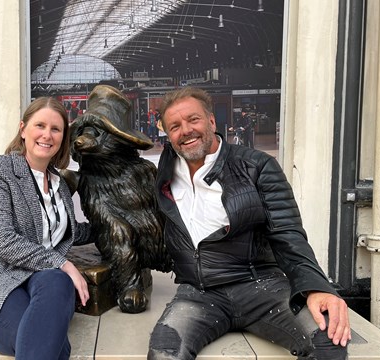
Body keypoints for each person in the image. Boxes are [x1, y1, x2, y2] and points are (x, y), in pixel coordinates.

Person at [148, 87, 350, 360]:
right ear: (168, 135)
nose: (185, 130)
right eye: (175, 126)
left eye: (193, 120)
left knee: (329, 340)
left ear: (211, 121)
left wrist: (316, 287)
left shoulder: (257, 165)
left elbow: (287, 232)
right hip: (198, 292)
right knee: (164, 353)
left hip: (261, 285)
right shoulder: (165, 171)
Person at [0, 97, 92, 360]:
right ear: (23, 129)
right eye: (40, 125)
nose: (47, 135)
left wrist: (113, 229)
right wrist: (64, 263)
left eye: (56, 129)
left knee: (58, 282)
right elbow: (0, 239)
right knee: (56, 348)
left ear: (62, 138)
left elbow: (66, 231)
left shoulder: (59, 184)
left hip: (39, 280)